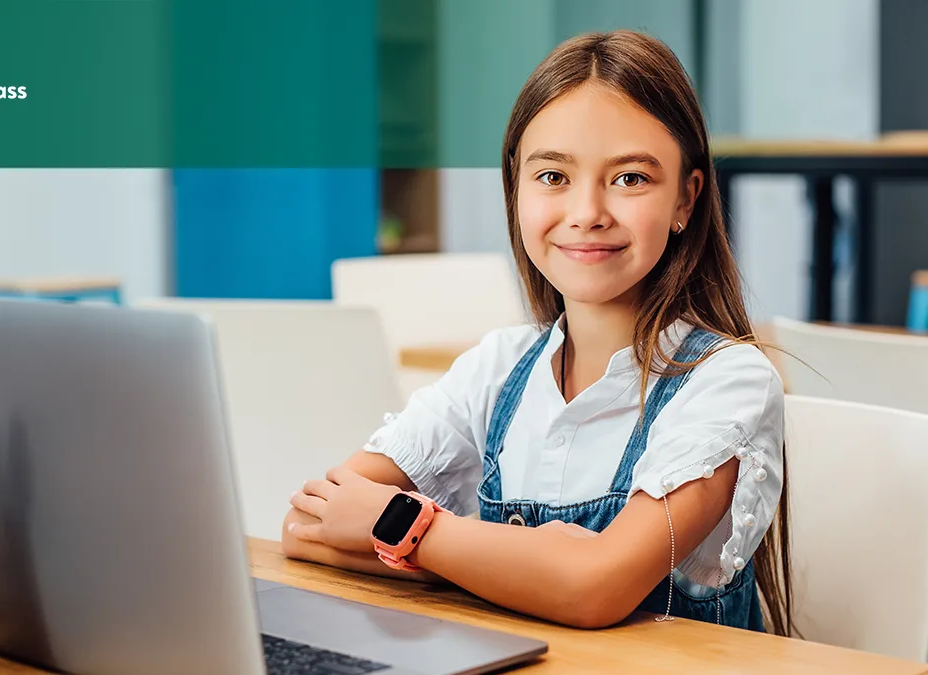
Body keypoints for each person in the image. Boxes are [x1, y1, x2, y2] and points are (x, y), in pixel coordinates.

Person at [282, 29, 792, 636]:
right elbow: (306, 526)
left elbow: (596, 587)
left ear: (687, 198)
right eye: (553, 176)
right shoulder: (498, 368)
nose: (587, 212)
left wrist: (411, 532)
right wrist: (514, 570)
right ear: (516, 188)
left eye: (630, 178)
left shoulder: (728, 382)